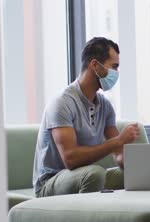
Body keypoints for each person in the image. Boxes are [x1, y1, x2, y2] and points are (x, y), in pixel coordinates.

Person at [33, 37, 140, 197]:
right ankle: (90, 221)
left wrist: (146, 168)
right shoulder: (62, 103)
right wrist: (118, 141)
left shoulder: (105, 106)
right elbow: (71, 159)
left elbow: (118, 153)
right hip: (50, 183)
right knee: (94, 174)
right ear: (95, 65)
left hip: (81, 177)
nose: (116, 73)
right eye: (114, 66)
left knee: (132, 176)